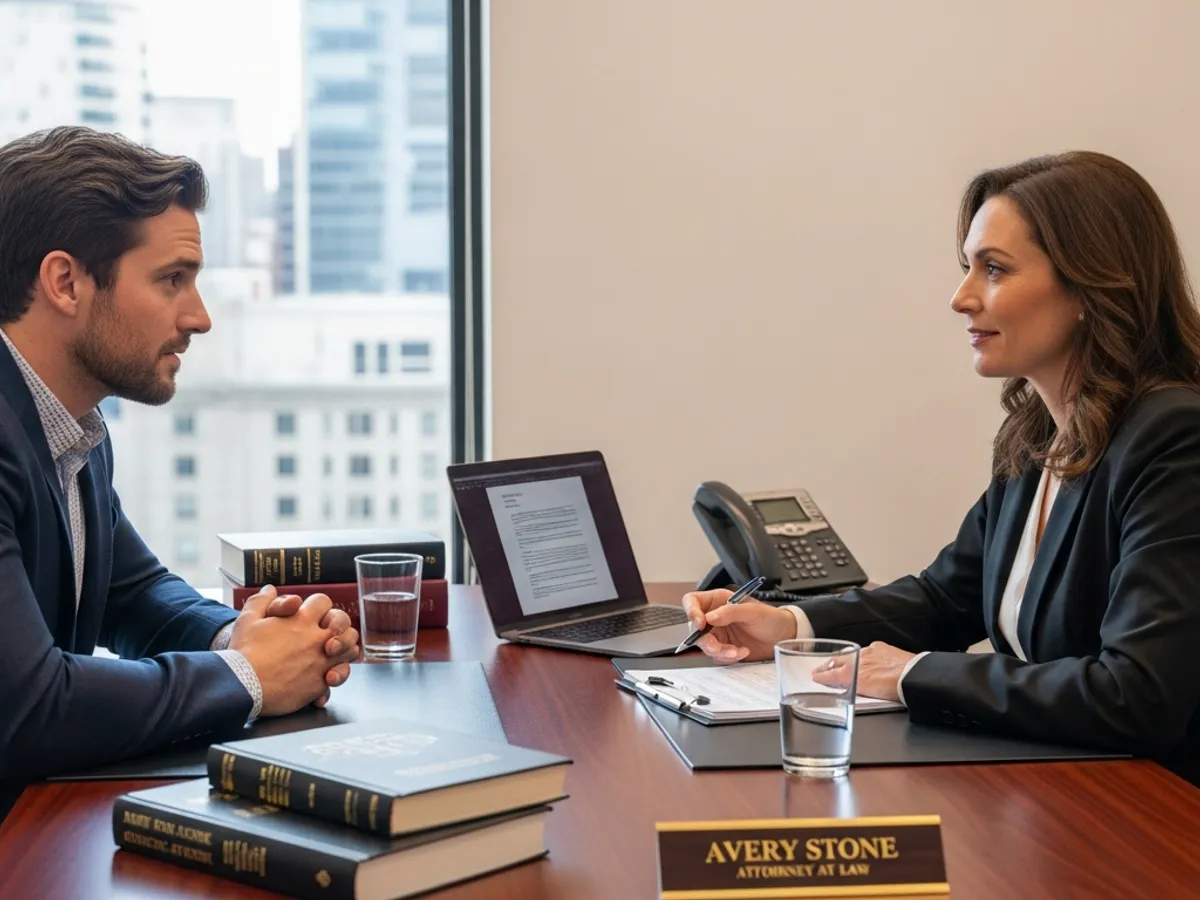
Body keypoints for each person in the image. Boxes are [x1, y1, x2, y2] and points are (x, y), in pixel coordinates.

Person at [684, 151, 1200, 783]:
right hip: (1061, 788)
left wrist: (912, 674)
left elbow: (1136, 693)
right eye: (968, 268)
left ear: (1089, 287)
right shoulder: (1036, 434)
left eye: (995, 270)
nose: (961, 298)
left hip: (1158, 815)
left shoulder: (1174, 437)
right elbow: (945, 598)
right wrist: (791, 626)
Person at [0, 127, 362, 818]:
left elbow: (131, 596)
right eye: (172, 279)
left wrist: (255, 634)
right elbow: (30, 706)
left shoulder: (70, 424)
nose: (199, 318)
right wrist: (249, 674)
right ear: (65, 282)